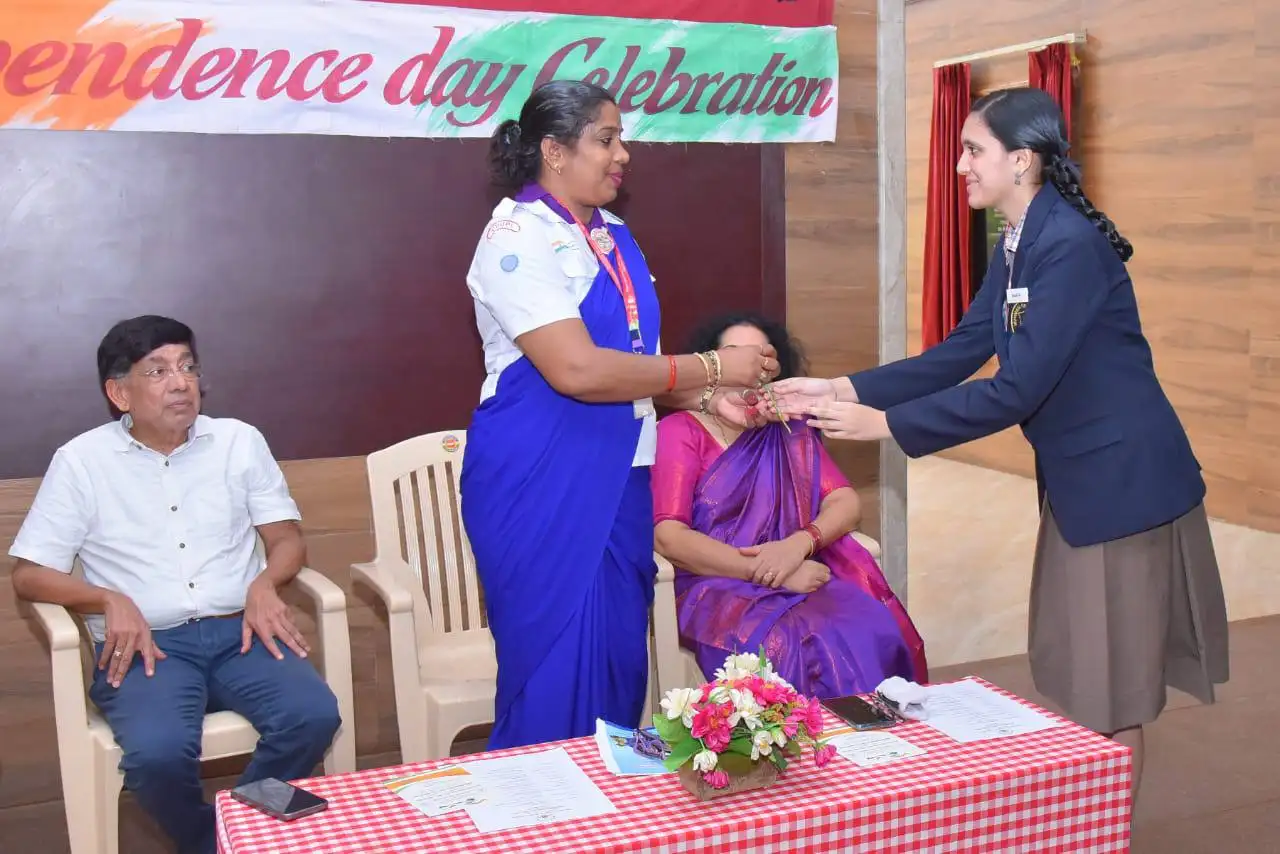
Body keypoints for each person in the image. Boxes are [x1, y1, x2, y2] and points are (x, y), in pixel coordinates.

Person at [769, 87, 1228, 800]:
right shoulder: (1020, 241)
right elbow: (960, 351)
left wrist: (888, 426)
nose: (959, 166)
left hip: (1122, 489)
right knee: (1084, 666)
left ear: (1022, 160)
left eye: (972, 150)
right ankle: (1093, 823)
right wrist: (843, 389)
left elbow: (1018, 389)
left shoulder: (1067, 247)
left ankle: (1106, 834)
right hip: (1084, 485)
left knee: (1113, 687)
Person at [460, 80, 778, 750]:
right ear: (553, 150)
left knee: (615, 669)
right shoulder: (517, 238)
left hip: (621, 476)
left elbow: (637, 367)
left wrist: (715, 399)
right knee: (549, 676)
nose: (622, 153)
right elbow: (576, 370)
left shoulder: (610, 234)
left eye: (619, 137)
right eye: (606, 139)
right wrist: (714, 368)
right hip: (541, 480)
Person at [10, 316, 341, 854]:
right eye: (158, 371)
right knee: (157, 756)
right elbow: (27, 574)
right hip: (148, 648)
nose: (180, 382)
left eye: (188, 367)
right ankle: (214, 842)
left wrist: (264, 583)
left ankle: (237, 826)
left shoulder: (238, 441)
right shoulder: (81, 462)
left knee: (313, 716)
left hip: (241, 634)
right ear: (119, 393)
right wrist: (107, 598)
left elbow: (287, 541)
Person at [651, 312, 927, 699]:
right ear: (710, 367)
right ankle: (807, 750)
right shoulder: (680, 431)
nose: (745, 372)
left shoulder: (788, 430)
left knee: (870, 625)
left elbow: (845, 502)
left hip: (799, 568)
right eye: (732, 356)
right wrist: (767, 571)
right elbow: (669, 537)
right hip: (712, 586)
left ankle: (872, 749)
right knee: (788, 643)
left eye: (758, 361)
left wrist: (798, 545)